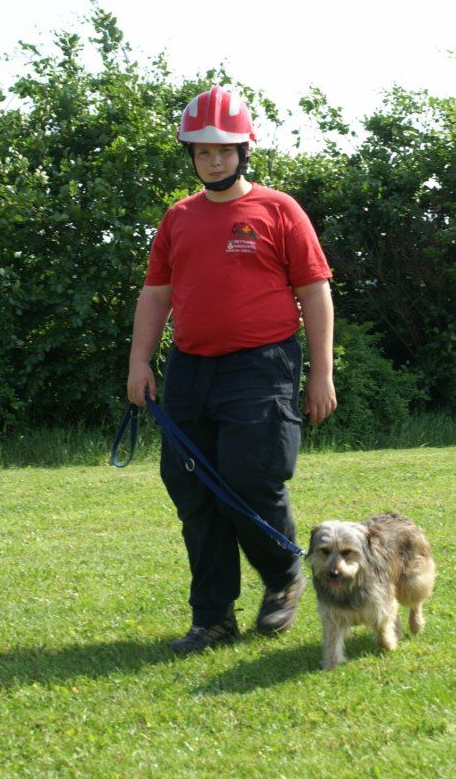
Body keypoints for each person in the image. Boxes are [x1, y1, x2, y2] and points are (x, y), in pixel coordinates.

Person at [127, 86, 337, 654]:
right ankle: (214, 617)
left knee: (250, 478)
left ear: (244, 150)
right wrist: (140, 361)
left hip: (262, 365)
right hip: (191, 369)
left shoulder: (279, 210)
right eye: (203, 151)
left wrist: (321, 374)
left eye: (223, 150)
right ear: (191, 157)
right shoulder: (178, 217)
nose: (214, 160)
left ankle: (284, 575)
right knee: (194, 491)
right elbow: (156, 294)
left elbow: (314, 292)